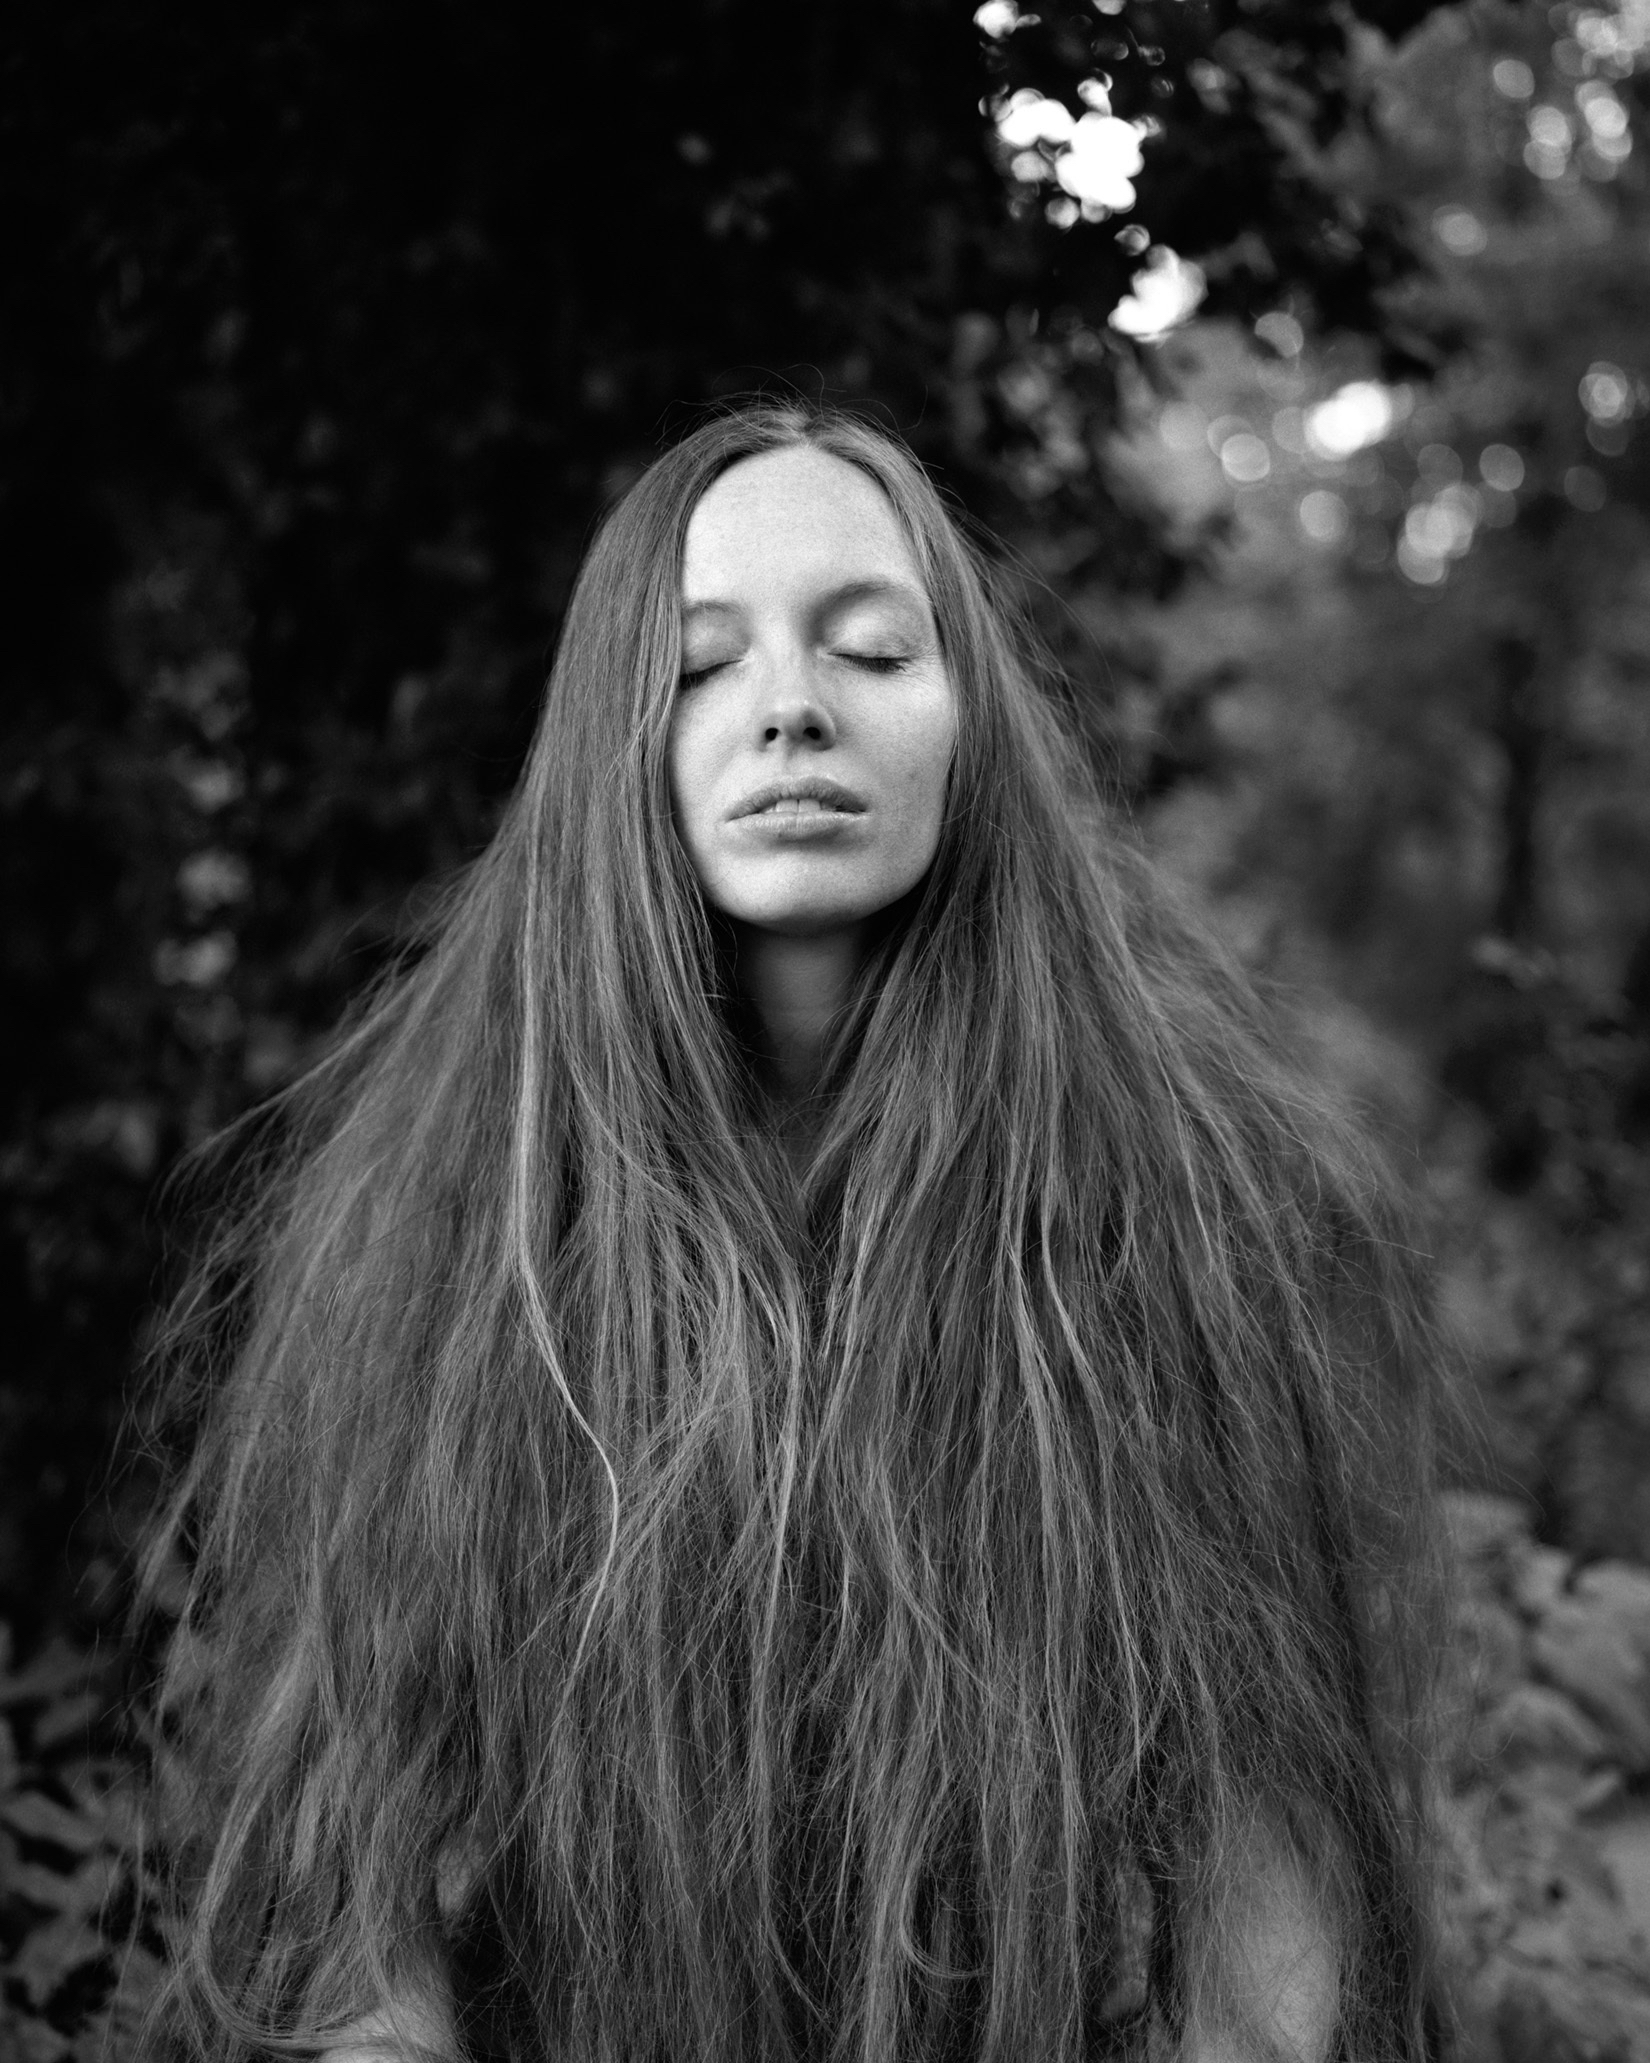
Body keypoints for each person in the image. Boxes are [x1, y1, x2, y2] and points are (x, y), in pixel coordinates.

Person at [141, 402, 1445, 2063]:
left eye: (872, 648)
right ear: (613, 739)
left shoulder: (1188, 1215)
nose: (789, 712)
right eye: (697, 664)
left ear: (971, 725)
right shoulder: (448, 1246)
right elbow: (370, 1958)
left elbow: (1265, 1943)